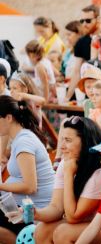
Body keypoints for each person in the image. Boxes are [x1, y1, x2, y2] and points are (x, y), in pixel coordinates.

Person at [30, 116, 101, 244]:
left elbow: (73, 217)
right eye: (62, 139)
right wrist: (35, 213)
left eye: (67, 140)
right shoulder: (67, 162)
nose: (61, 146)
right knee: (42, 229)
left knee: (63, 232)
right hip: (86, 223)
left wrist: (69, 174)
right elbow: (57, 208)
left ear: (85, 142)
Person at [0, 95, 55, 243]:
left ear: (8, 118)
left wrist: (1, 186)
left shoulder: (24, 142)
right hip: (20, 207)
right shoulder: (20, 138)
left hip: (34, 213)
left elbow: (30, 186)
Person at [66, 5, 100, 101]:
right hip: (92, 92)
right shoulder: (81, 42)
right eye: (82, 21)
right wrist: (67, 97)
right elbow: (76, 72)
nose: (84, 24)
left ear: (98, 19)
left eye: (88, 21)